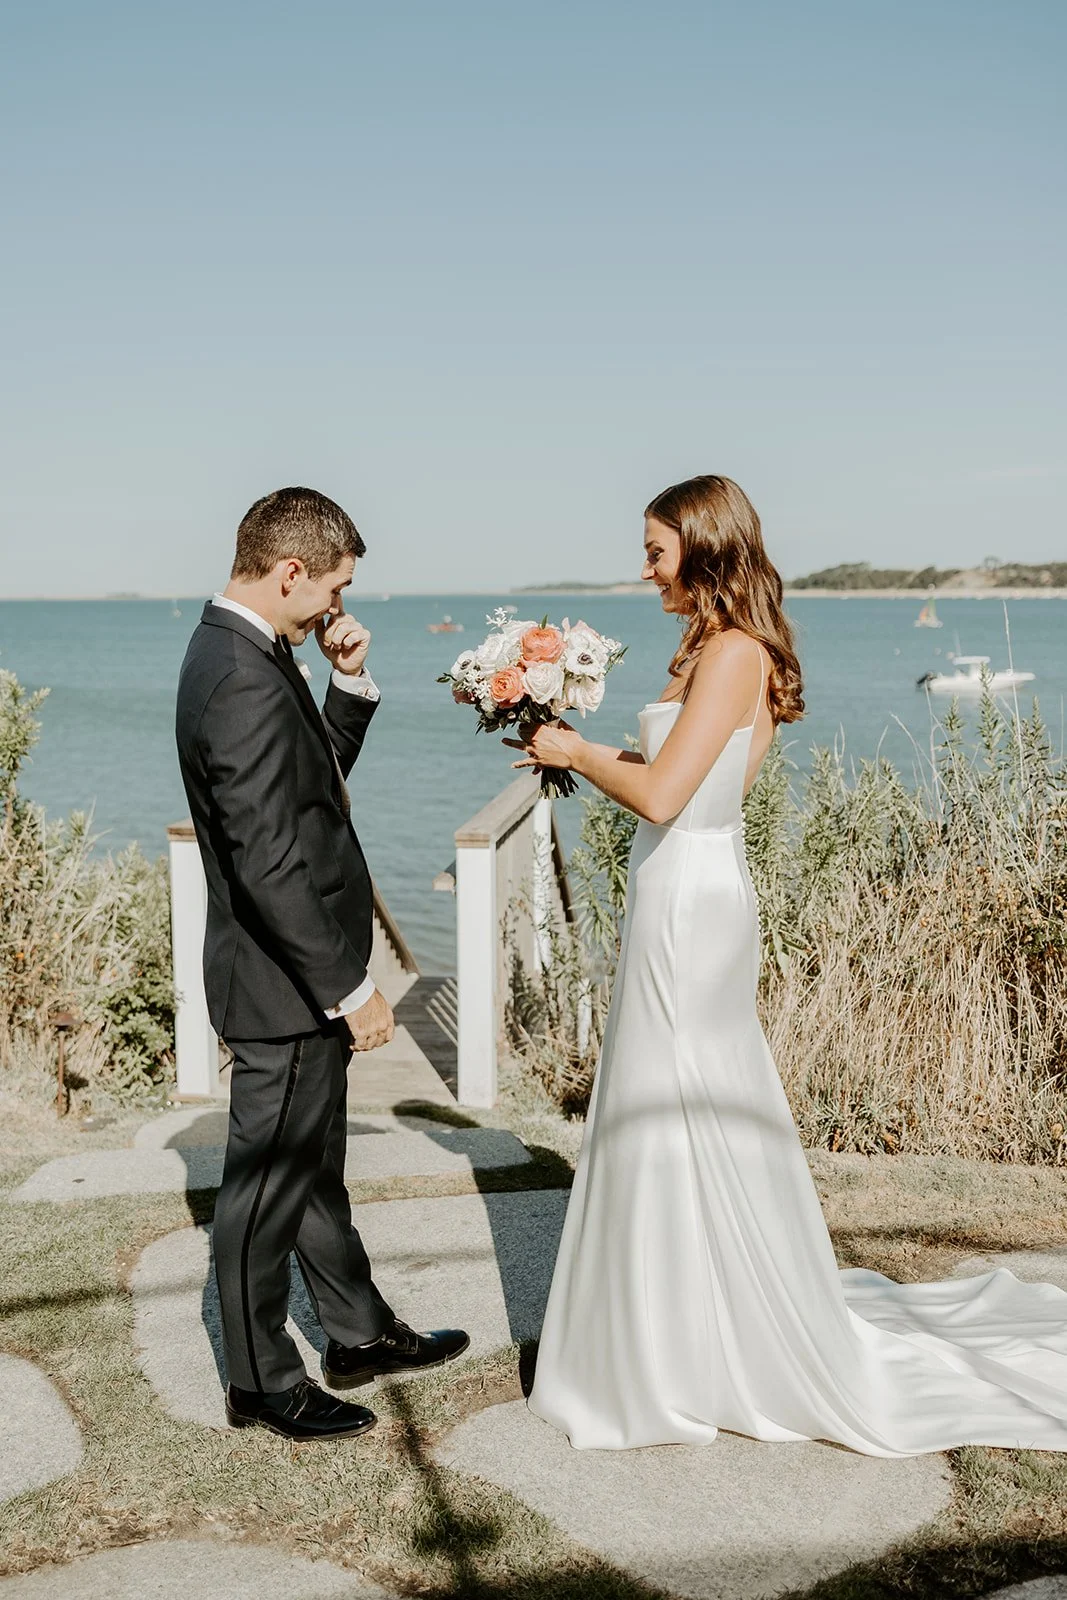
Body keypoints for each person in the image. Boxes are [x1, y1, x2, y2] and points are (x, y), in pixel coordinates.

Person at [518, 473, 1067, 1454]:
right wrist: (580, 748)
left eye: (654, 549)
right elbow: (665, 778)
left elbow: (663, 797)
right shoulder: (708, 648)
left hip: (691, 900)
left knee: (677, 1100)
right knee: (664, 1106)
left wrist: (571, 749)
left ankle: (681, 1351)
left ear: (700, 545)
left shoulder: (732, 652)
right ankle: (669, 1334)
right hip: (676, 890)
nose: (642, 568)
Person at [176, 486, 468, 1441]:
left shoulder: (258, 654)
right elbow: (266, 861)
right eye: (332, 588)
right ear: (289, 569)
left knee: (312, 1172)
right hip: (285, 982)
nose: (337, 607)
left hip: (289, 975)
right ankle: (260, 1382)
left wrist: (347, 685)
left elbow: (311, 795)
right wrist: (351, 988)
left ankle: (356, 1333)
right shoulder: (239, 674)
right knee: (264, 1187)